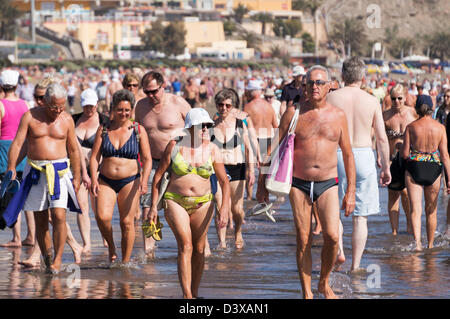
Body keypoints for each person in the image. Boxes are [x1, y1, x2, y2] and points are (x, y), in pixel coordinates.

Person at [258, 65, 356, 299]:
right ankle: (307, 293)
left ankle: (323, 283)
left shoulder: (338, 115)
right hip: (298, 183)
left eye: (320, 82)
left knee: (332, 236)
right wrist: (261, 183)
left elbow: (348, 153)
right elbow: (270, 147)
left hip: (328, 183)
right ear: (304, 86)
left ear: (330, 85)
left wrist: (350, 190)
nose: (314, 87)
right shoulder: (294, 113)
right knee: (303, 238)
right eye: (310, 83)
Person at [147, 108, 230, 299]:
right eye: (201, 126)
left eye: (207, 126)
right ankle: (187, 296)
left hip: (204, 203)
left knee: (199, 249)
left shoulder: (212, 148)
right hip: (175, 201)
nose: (205, 130)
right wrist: (152, 207)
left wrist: (224, 208)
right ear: (190, 128)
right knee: (186, 245)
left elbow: (224, 181)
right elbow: (158, 177)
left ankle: (194, 291)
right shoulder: (174, 146)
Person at [4, 83, 81, 274]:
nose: (58, 111)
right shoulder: (30, 116)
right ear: (45, 102)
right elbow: (18, 143)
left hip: (60, 172)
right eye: (54, 107)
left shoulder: (67, 120)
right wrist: (11, 167)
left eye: (62, 107)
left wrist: (78, 176)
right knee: (39, 219)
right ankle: (47, 259)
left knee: (59, 216)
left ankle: (58, 258)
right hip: (35, 170)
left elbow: (73, 150)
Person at [327, 57, 391, 272]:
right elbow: (382, 138)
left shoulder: (331, 98)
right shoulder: (372, 101)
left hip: (337, 153)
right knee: (360, 216)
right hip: (364, 154)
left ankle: (339, 252)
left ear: (342, 75)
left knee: (334, 209)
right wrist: (386, 168)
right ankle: (355, 266)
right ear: (363, 77)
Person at [90, 89, 151, 264]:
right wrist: (94, 178)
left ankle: (124, 262)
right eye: (119, 109)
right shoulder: (104, 129)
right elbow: (95, 157)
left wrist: (144, 180)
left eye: (126, 110)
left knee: (126, 222)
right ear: (113, 109)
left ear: (131, 110)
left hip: (130, 181)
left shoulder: (138, 130)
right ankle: (111, 246)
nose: (123, 113)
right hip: (106, 180)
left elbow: (147, 159)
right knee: (102, 217)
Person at [135, 70, 191, 257]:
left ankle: (197, 248)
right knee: (147, 208)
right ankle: (148, 252)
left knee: (186, 206)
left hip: (179, 163)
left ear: (163, 86)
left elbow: (197, 130)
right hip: (152, 163)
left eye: (154, 91)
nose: (150, 96)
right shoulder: (141, 107)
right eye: (147, 92)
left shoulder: (178, 103)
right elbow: (136, 135)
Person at [401, 95, 450, 251]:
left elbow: (405, 154)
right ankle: (429, 245)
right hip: (434, 169)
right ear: (431, 108)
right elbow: (445, 155)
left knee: (416, 210)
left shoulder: (411, 127)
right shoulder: (440, 128)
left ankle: (417, 245)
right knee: (432, 211)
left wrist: (399, 148)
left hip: (414, 167)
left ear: (417, 108)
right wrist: (449, 178)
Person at [212, 88, 255, 249]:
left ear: (232, 106)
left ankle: (238, 231)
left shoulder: (239, 124)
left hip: (237, 168)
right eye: (221, 105)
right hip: (218, 169)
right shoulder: (211, 125)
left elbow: (249, 148)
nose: (224, 108)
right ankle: (222, 242)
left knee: (236, 209)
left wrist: (251, 171)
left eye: (228, 105)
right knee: (219, 204)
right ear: (216, 105)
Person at [73, 88, 110, 254]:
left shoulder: (105, 121)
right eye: (87, 106)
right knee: (82, 206)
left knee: (99, 208)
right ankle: (86, 243)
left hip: (99, 170)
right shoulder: (74, 120)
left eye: (92, 106)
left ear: (97, 104)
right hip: (78, 170)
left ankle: (105, 237)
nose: (90, 109)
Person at [0, 69, 32, 247]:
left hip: (5, 152)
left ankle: (16, 237)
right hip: (23, 150)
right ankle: (31, 236)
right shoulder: (26, 104)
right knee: (25, 195)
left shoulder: (1, 105)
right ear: (17, 85)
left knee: (10, 192)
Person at [383, 84, 417, 235]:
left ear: (405, 97)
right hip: (392, 160)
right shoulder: (385, 116)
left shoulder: (412, 113)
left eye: (399, 98)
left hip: (409, 159)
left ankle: (410, 226)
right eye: (393, 99)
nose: (396, 102)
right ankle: (394, 231)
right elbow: (380, 139)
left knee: (407, 194)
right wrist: (381, 159)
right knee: (393, 194)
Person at [244, 80, 278, 201]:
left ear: (250, 92)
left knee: (250, 167)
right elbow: (276, 126)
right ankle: (264, 197)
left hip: (255, 139)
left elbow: (244, 127)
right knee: (265, 170)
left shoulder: (248, 107)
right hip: (268, 139)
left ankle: (248, 197)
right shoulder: (269, 106)